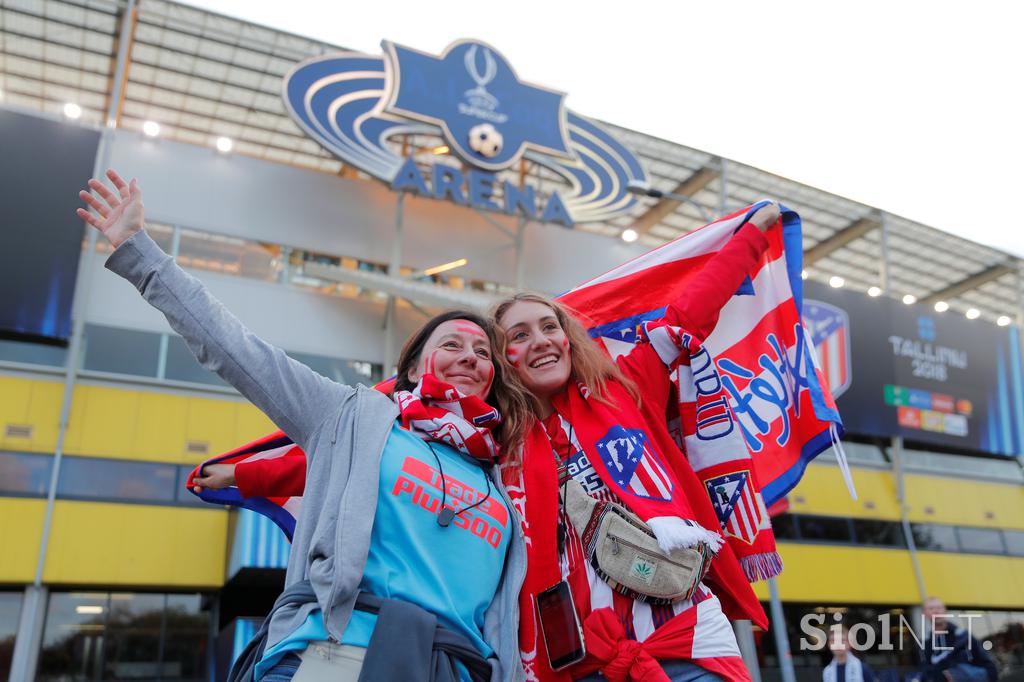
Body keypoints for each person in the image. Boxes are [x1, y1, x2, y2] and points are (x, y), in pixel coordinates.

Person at [76, 170, 534, 682]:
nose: (469, 357)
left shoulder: (502, 475)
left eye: (481, 352)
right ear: (411, 367)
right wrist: (142, 256)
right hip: (337, 653)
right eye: (451, 345)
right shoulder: (351, 417)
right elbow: (237, 349)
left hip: (456, 671)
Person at [491, 203, 780, 682]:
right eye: (518, 335)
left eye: (550, 327)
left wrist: (751, 237)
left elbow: (690, 315)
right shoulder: (495, 443)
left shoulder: (624, 390)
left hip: (688, 637)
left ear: (569, 340)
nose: (541, 340)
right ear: (502, 360)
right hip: (578, 659)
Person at [915, 597, 996, 682]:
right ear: (924, 614)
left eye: (939, 608)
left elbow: (989, 668)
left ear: (945, 610)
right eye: (931, 608)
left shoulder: (964, 637)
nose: (936, 611)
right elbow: (925, 673)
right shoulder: (924, 645)